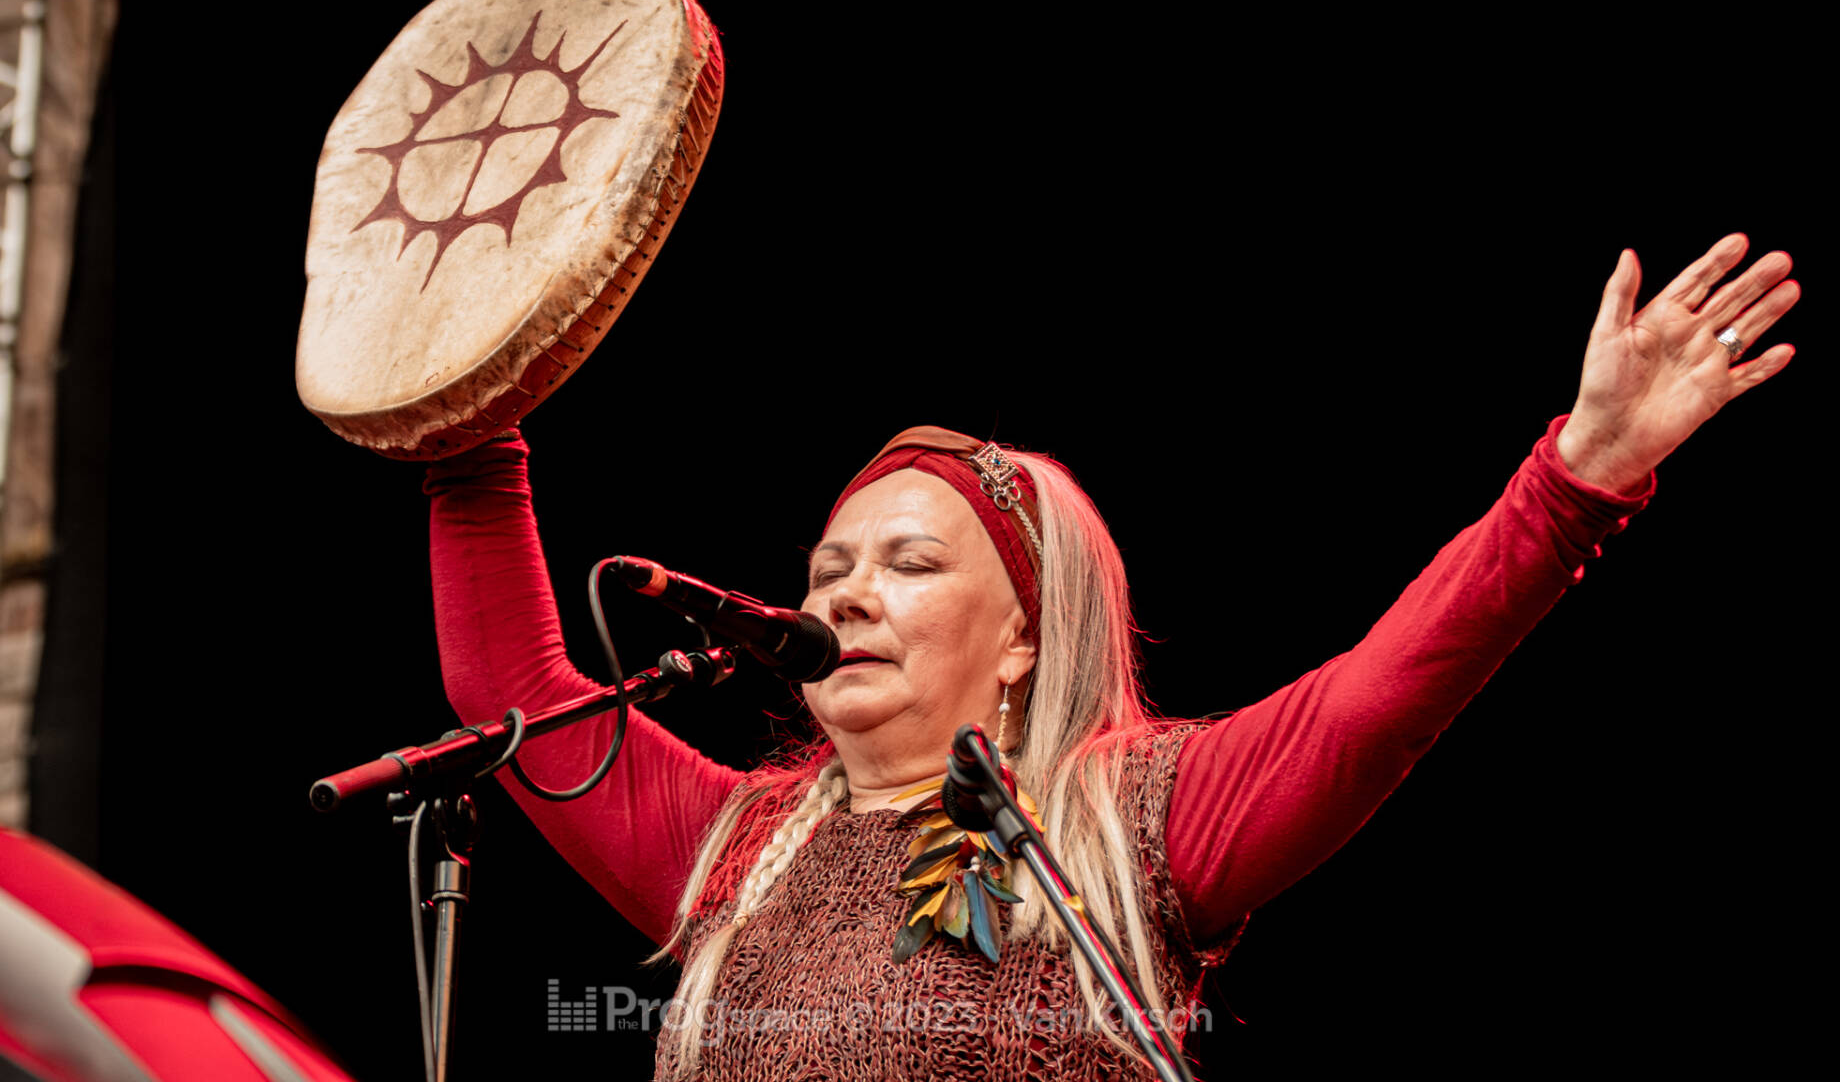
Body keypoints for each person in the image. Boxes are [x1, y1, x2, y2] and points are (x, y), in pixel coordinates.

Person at [424, 236, 1796, 1079]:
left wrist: (1576, 482)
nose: (847, 595)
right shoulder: (734, 841)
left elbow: (1374, 701)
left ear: (1022, 635)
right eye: (830, 570)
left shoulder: (1130, 818)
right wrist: (471, 427)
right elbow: (519, 703)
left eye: (909, 565)